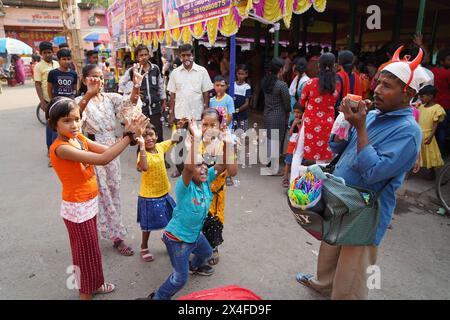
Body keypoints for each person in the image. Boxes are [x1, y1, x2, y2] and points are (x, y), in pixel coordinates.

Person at [295, 46, 429, 300]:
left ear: (408, 93)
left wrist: (360, 126)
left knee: (353, 265)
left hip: (367, 208)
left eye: (387, 86)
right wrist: (346, 120)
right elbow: (339, 147)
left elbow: (374, 172)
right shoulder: (373, 115)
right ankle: (323, 284)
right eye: (378, 83)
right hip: (341, 197)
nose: (377, 89)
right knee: (331, 244)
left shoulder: (409, 131)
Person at [47, 96, 149, 300]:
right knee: (84, 255)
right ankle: (86, 293)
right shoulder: (61, 148)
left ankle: (95, 284)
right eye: (66, 120)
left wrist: (128, 135)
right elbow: (104, 159)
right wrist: (129, 137)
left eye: (76, 119)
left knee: (92, 251)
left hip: (88, 204)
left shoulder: (78, 139)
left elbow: (108, 151)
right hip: (77, 210)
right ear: (54, 124)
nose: (74, 124)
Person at [139, 118, 237, 300]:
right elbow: (189, 167)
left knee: (207, 253)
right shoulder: (184, 187)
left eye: (205, 165)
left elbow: (225, 166)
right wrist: (197, 138)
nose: (203, 168)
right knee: (179, 278)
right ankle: (158, 297)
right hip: (177, 240)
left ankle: (194, 266)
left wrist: (229, 143)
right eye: (198, 166)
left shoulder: (207, 179)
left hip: (194, 236)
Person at [75, 63, 143, 256]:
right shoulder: (80, 100)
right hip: (93, 151)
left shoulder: (109, 98)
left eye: (101, 77)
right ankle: (117, 236)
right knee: (102, 192)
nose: (99, 81)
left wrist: (136, 85)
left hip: (113, 149)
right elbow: (76, 118)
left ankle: (108, 229)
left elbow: (129, 105)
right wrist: (88, 94)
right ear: (84, 79)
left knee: (114, 190)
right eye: (94, 77)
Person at [135, 121, 186, 262]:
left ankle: (168, 239)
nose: (148, 138)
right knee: (147, 225)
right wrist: (142, 147)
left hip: (163, 192)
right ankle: (144, 246)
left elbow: (175, 139)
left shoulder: (160, 147)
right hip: (149, 196)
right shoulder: (142, 154)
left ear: (157, 136)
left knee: (171, 219)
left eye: (151, 135)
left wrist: (180, 127)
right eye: (144, 136)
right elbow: (144, 167)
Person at [167, 43, 213, 178]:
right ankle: (180, 169)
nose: (186, 57)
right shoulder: (175, 73)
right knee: (179, 143)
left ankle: (199, 169)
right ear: (179, 56)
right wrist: (171, 113)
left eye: (188, 55)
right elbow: (173, 95)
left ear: (193, 55)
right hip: (180, 115)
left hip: (197, 115)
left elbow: (206, 93)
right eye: (183, 55)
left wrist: (206, 112)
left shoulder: (202, 71)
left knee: (198, 144)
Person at [298, 53, 341, 165]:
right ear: (334, 65)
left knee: (298, 153)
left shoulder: (310, 83)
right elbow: (335, 101)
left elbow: (301, 102)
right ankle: (319, 182)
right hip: (328, 122)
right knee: (322, 157)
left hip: (309, 121)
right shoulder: (336, 84)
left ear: (319, 65)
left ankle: (294, 180)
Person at [121, 44, 166, 142]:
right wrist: (133, 92)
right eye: (141, 55)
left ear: (149, 55)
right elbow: (122, 86)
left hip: (155, 109)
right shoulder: (132, 71)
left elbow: (161, 85)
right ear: (137, 57)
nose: (144, 57)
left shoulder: (156, 69)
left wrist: (163, 99)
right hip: (141, 110)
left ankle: (160, 157)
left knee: (157, 136)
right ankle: (142, 156)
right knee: (142, 137)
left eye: (146, 54)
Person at [262, 58, 291, 174]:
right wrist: (289, 111)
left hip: (267, 113)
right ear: (280, 69)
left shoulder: (265, 81)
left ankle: (269, 163)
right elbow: (287, 103)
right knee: (276, 141)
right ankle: (273, 169)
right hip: (278, 115)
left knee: (270, 139)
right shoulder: (282, 85)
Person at [34, 41, 60, 166]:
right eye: (45, 53)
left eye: (49, 52)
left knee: (58, 126)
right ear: (41, 54)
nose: (48, 55)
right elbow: (38, 84)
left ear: (53, 52)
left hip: (59, 99)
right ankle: (51, 152)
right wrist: (42, 102)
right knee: (50, 127)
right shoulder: (39, 66)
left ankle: (58, 150)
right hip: (48, 100)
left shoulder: (57, 63)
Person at [417, 85, 446, 174]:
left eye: (422, 97)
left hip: (428, 135)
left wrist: (431, 136)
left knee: (431, 154)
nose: (420, 99)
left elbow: (435, 125)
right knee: (419, 153)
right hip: (419, 134)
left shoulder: (437, 108)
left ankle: (435, 173)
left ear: (430, 96)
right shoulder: (421, 107)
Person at [430, 48, 450, 155]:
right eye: (448, 60)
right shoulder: (447, 73)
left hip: (433, 105)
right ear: (442, 61)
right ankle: (441, 152)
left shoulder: (432, 71)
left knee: (434, 129)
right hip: (446, 105)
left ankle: (433, 152)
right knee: (442, 129)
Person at [283, 103, 303, 188]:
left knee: (298, 163)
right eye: (294, 112)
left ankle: (296, 179)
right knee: (288, 162)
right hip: (292, 144)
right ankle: (285, 178)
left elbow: (302, 133)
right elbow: (290, 134)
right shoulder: (292, 121)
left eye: (299, 112)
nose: (296, 114)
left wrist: (299, 125)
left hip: (299, 145)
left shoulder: (304, 122)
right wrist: (294, 124)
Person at [233, 64, 252, 132]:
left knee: (242, 132)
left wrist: (237, 110)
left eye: (242, 74)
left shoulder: (247, 87)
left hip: (243, 114)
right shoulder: (233, 84)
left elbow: (247, 103)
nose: (240, 76)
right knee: (233, 132)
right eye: (239, 74)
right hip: (233, 114)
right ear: (236, 73)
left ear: (246, 74)